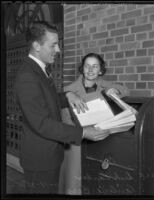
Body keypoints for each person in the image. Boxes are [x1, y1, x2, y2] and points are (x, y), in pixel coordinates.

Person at [13, 21, 109, 194]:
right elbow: (41, 123)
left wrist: (67, 96)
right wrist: (83, 132)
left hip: (49, 156)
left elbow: (45, 100)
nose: (58, 50)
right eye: (53, 45)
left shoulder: (38, 69)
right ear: (36, 46)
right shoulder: (27, 75)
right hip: (40, 160)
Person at [61, 52, 129, 195]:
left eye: (95, 66)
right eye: (87, 66)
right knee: (75, 184)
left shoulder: (104, 85)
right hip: (77, 144)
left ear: (100, 70)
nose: (90, 70)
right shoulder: (69, 90)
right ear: (82, 68)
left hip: (100, 140)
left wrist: (113, 90)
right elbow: (65, 121)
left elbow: (125, 90)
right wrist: (84, 130)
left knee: (95, 183)